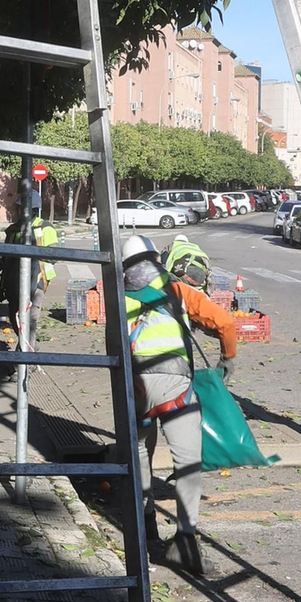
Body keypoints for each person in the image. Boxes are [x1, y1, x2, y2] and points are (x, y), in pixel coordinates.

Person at [121, 233, 206, 575]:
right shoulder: (176, 288)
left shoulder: (118, 293)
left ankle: (145, 524)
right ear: (157, 258)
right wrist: (228, 359)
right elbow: (224, 323)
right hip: (175, 388)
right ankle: (185, 541)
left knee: (141, 450)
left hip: (138, 387)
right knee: (188, 461)